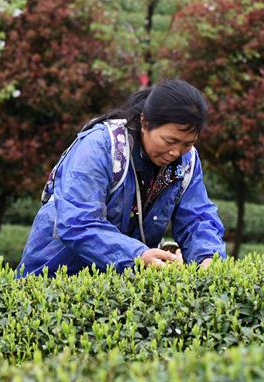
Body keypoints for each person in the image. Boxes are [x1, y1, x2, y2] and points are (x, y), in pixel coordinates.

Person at [17, 79, 227, 276]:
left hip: (122, 288)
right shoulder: (100, 146)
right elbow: (77, 222)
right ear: (145, 122)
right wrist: (136, 255)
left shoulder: (187, 160)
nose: (176, 152)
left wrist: (207, 257)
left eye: (187, 143)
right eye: (169, 140)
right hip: (55, 277)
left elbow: (197, 218)